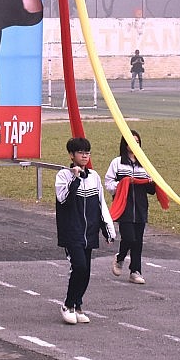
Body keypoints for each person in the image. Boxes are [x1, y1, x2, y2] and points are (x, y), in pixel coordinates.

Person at [54, 137, 116, 325]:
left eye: (87, 153)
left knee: (86, 271)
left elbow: (100, 204)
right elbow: (64, 199)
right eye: (81, 152)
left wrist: (107, 229)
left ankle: (78, 303)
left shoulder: (94, 176)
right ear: (71, 155)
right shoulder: (63, 176)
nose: (84, 156)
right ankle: (67, 304)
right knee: (78, 266)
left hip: (89, 232)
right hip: (72, 231)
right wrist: (75, 178)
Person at [104, 131, 158, 285]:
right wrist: (124, 183)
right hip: (124, 206)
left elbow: (152, 188)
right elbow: (109, 184)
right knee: (129, 237)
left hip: (140, 207)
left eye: (137, 141)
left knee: (138, 241)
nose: (135, 144)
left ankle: (135, 271)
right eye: (132, 141)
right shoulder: (117, 163)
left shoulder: (145, 163)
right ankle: (120, 258)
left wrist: (150, 182)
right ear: (125, 143)